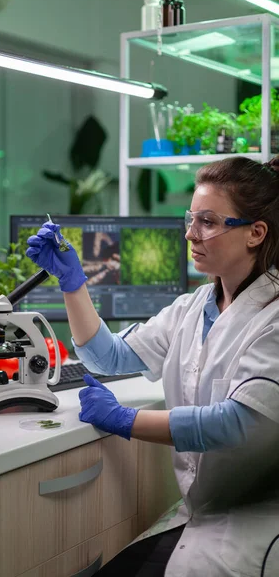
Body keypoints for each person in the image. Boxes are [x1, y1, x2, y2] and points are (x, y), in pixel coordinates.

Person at [26, 155, 279, 577]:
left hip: (256, 525)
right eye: (190, 218)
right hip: (204, 512)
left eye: (209, 222)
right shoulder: (193, 306)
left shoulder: (273, 314)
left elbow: (237, 426)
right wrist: (73, 283)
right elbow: (109, 357)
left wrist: (125, 419)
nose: (190, 233)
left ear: (255, 233)